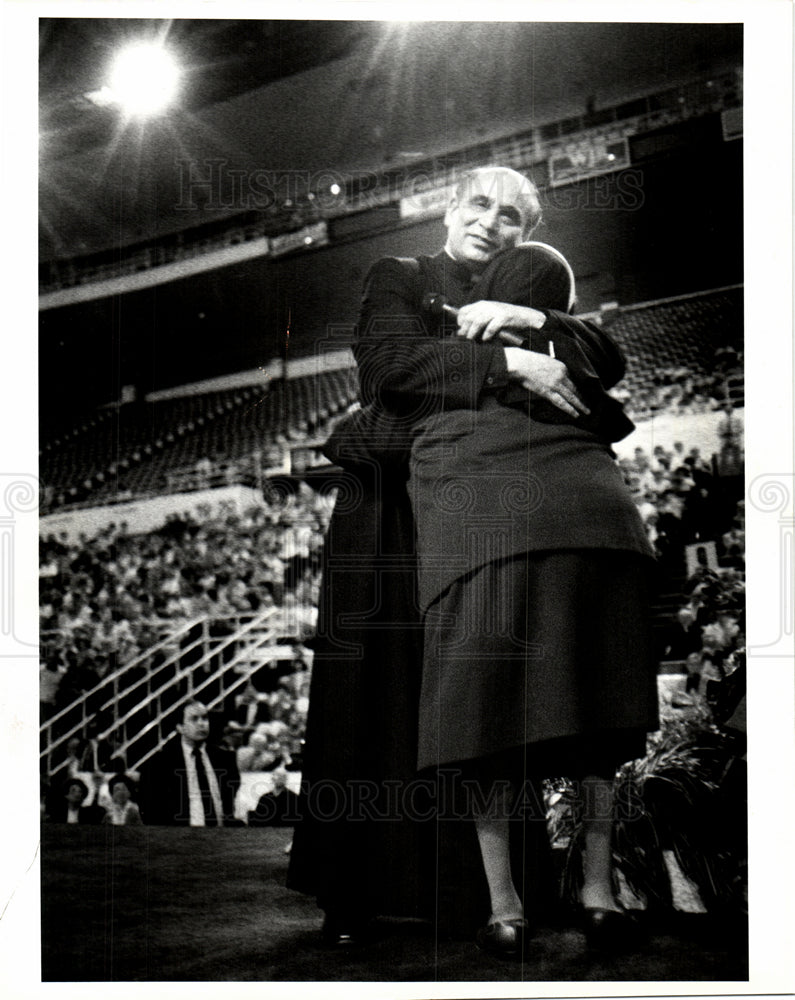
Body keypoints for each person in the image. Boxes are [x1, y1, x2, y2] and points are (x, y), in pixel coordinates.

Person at [288, 166, 657, 953]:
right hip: (390, 513)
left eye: (513, 217)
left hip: (482, 499)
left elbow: (604, 360)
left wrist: (528, 319)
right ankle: (369, 888)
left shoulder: (531, 289)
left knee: (485, 708)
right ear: (451, 211)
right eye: (481, 206)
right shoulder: (402, 275)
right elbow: (388, 373)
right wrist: (506, 364)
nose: (493, 222)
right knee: (387, 695)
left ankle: (492, 896)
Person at [140, 700, 240, 826]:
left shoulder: (225, 759)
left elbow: (229, 805)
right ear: (180, 727)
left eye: (204, 718)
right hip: (180, 840)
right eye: (194, 719)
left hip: (220, 839)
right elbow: (151, 812)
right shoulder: (160, 764)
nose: (201, 724)